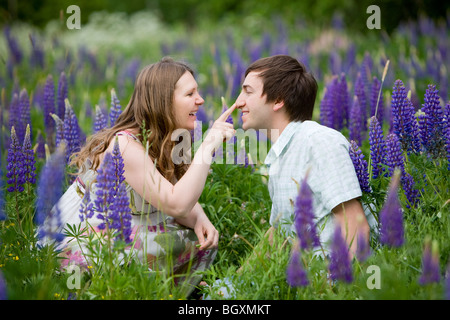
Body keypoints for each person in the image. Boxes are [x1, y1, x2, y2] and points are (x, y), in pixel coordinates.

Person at [44, 57, 237, 295]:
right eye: (190, 94)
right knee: (171, 240)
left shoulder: (166, 138)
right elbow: (175, 203)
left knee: (192, 237)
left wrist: (199, 217)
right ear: (163, 101)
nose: (201, 100)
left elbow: (175, 192)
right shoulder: (124, 146)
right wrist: (208, 146)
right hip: (89, 245)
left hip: (122, 232)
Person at [234, 55, 377, 259]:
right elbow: (278, 234)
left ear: (278, 100)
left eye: (248, 92)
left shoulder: (318, 143)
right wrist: (231, 285)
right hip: (303, 278)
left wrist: (334, 287)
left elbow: (355, 226)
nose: (238, 102)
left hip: (329, 279)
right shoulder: (282, 152)